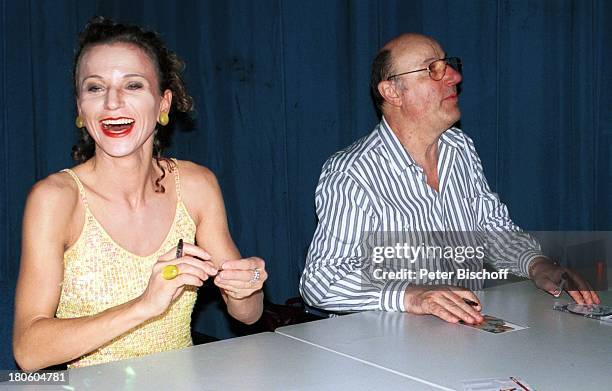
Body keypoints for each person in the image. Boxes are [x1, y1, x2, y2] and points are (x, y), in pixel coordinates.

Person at [13, 17, 267, 370]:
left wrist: (248, 285)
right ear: (80, 109)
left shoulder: (195, 185)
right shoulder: (56, 199)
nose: (112, 103)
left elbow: (248, 315)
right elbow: (28, 351)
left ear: (163, 104)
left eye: (132, 85)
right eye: (95, 88)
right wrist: (144, 305)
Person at [300, 33, 599, 324]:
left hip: (465, 332)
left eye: (449, 65)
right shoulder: (352, 173)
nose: (454, 76)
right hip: (384, 345)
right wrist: (411, 296)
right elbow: (320, 281)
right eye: (433, 69)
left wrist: (536, 263)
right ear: (392, 92)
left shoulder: (460, 149)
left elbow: (492, 232)